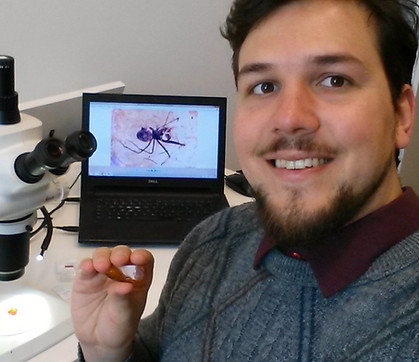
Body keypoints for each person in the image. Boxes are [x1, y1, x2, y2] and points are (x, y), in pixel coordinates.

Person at [71, 0, 419, 360]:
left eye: (335, 80)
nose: (289, 118)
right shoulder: (212, 240)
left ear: (401, 115)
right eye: (265, 86)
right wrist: (107, 351)